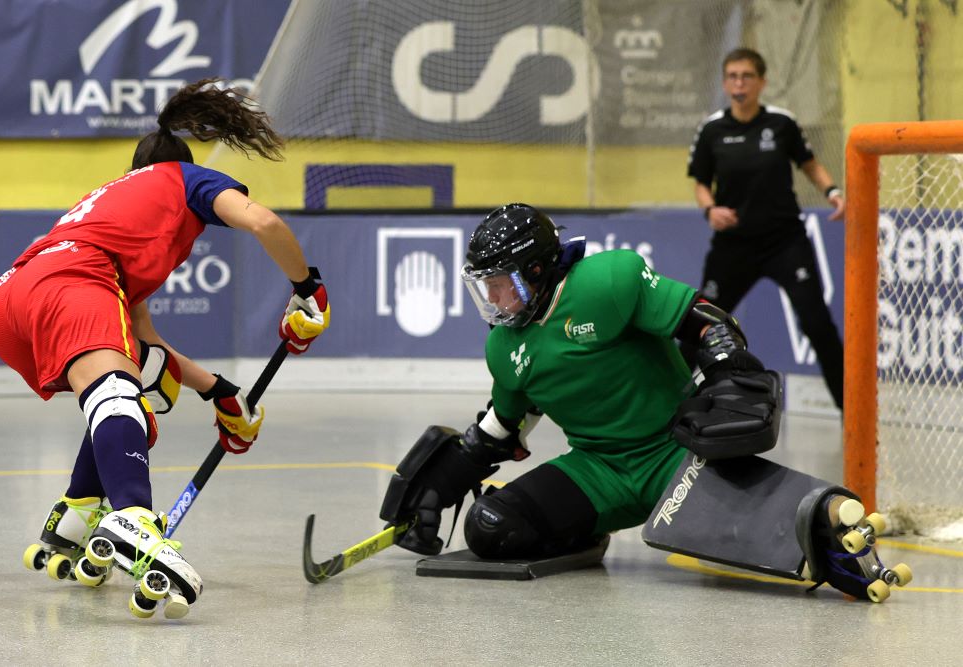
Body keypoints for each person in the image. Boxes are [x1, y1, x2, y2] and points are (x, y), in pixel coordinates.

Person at [378, 203, 902, 602]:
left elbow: (709, 324)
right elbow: (504, 426)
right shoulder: (504, 347)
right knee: (489, 526)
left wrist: (724, 369)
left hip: (674, 454)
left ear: (537, 272)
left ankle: (831, 518)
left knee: (791, 523)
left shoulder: (609, 280)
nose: (493, 301)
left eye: (501, 286)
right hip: (596, 470)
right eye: (485, 288)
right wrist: (445, 477)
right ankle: (584, 533)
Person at [0, 79, 330, 619]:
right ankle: (134, 518)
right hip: (73, 281)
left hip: (10, 300)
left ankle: (75, 515)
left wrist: (222, 392)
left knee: (136, 389)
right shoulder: (183, 178)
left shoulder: (106, 206)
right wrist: (307, 289)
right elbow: (264, 221)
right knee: (120, 394)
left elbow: (147, 345)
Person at [685, 47, 845, 409]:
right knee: (700, 324)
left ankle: (852, 415)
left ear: (761, 82)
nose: (739, 83)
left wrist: (833, 191)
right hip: (734, 246)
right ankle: (666, 409)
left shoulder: (781, 123)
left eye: (747, 76)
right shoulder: (712, 130)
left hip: (785, 241)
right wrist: (710, 210)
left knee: (818, 324)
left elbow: (810, 164)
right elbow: (700, 183)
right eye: (732, 76)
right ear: (725, 83)